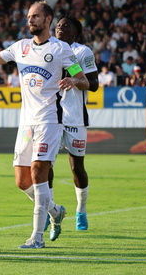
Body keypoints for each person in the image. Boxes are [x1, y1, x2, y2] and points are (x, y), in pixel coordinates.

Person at [0, 1, 89, 248]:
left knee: (39, 171)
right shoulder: (21, 47)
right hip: (26, 123)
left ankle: (36, 237)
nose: (30, 20)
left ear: (48, 19)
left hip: (50, 120)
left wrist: (73, 80)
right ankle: (54, 210)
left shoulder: (61, 49)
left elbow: (82, 78)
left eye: (36, 16)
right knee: (21, 180)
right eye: (29, 16)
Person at [50, 14, 99, 231]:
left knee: (76, 166)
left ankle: (81, 210)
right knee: (45, 165)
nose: (60, 28)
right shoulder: (48, 50)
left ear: (75, 32)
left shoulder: (82, 51)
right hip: (50, 116)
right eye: (58, 25)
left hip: (75, 117)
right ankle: (48, 210)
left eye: (65, 26)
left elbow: (94, 84)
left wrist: (75, 80)